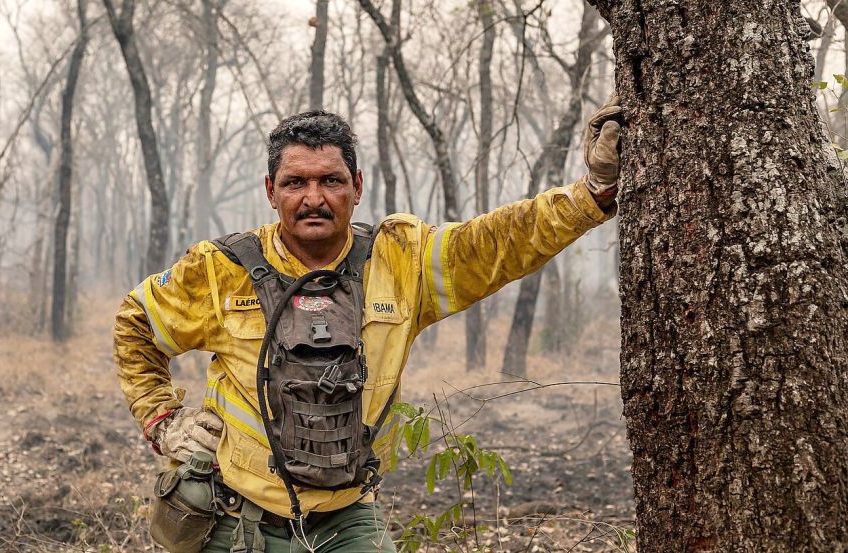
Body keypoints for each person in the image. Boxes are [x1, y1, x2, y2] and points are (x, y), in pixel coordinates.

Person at [113, 97, 622, 552]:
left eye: (330, 180)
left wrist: (592, 194)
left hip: (347, 519)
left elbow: (496, 242)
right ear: (271, 191)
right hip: (234, 517)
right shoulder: (221, 268)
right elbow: (136, 322)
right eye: (295, 183)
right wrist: (162, 420)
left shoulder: (401, 259)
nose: (313, 198)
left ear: (356, 186)